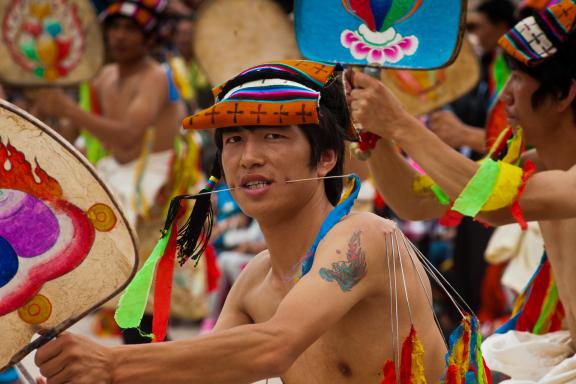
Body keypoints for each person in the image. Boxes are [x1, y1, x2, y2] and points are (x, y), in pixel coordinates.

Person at [34, 61, 447, 383]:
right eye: (234, 140)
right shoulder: (255, 280)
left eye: (274, 136)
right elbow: (205, 373)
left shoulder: (366, 236)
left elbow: (275, 346)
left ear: (326, 158)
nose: (248, 156)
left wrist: (109, 364)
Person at [348, 0, 576, 380]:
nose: (504, 96)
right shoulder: (528, 165)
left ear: (565, 93)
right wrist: (379, 136)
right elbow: (414, 201)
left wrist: (401, 124)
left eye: (517, 78)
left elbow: (492, 203)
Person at [36, 0, 185, 227]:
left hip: (151, 182)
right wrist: (45, 110)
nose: (120, 36)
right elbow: (70, 134)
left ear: (149, 37)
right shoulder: (103, 76)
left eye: (130, 29)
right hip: (113, 174)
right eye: (115, 28)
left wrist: (68, 108)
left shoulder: (155, 76)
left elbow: (127, 137)